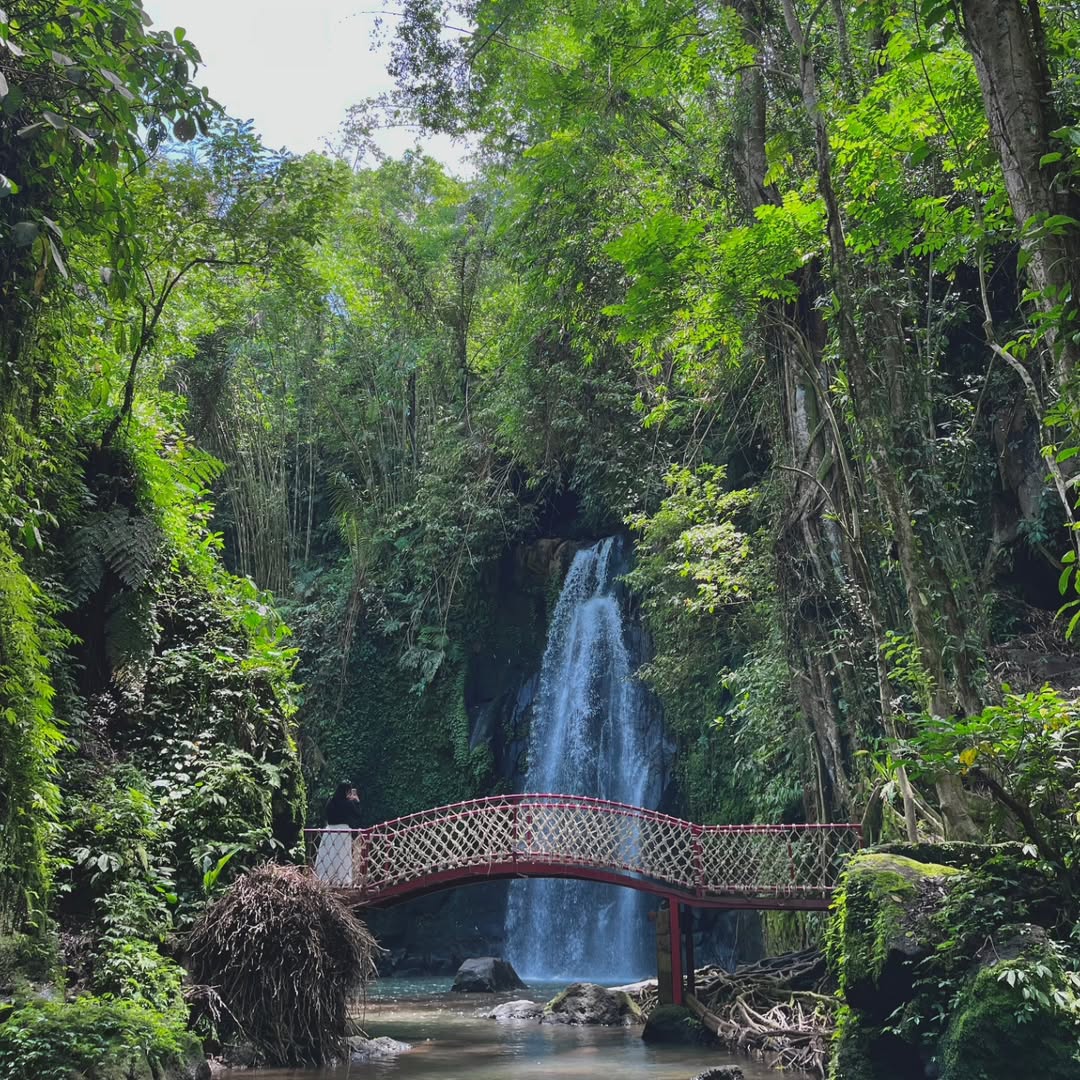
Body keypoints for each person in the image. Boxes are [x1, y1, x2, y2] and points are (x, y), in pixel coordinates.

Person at [315, 782, 363, 885]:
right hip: (343, 831)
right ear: (347, 792)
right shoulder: (348, 803)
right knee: (342, 855)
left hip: (329, 831)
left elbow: (327, 814)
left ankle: (325, 878)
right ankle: (342, 879)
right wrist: (357, 801)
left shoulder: (331, 801)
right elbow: (358, 814)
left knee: (329, 854)